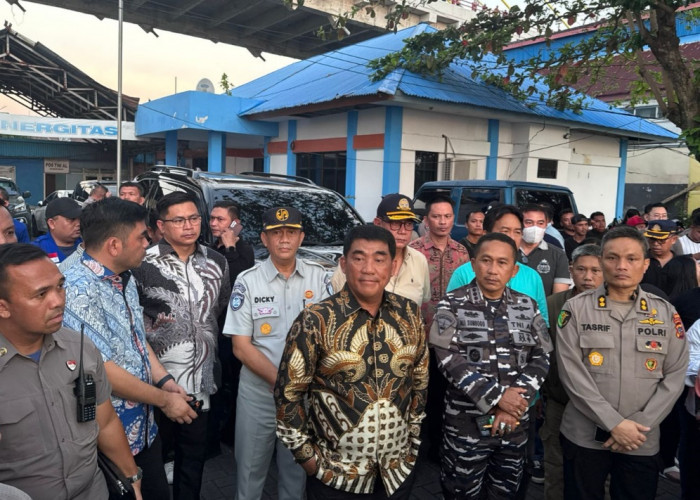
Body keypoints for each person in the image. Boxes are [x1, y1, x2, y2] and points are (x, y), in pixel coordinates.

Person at [274, 224, 428, 499]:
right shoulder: (316, 320)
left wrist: (413, 441)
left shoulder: (409, 314)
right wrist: (308, 458)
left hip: (397, 472)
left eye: (379, 259)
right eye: (359, 258)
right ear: (344, 264)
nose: (369, 269)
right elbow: (288, 394)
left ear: (393, 266)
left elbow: (420, 380)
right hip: (335, 475)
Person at [61, 198, 198, 500]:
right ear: (114, 245)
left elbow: (136, 338)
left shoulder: (124, 278)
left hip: (144, 429)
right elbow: (102, 369)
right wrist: (165, 400)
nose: (147, 244)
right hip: (108, 444)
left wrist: (164, 381)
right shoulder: (76, 289)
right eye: (141, 237)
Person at [0, 243, 143, 500]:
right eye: (40, 294)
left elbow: (106, 422)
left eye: (60, 286)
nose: (58, 301)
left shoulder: (80, 347)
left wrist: (132, 478)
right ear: (3, 307)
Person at [556, 226, 689, 500]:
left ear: (646, 264)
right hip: (584, 436)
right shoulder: (576, 309)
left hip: (641, 438)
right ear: (601, 260)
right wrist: (615, 424)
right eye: (612, 258)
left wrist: (640, 425)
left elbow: (676, 374)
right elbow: (571, 373)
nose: (621, 266)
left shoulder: (665, 312)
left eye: (631, 258)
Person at [430, 232, 551, 499]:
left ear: (514, 270)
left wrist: (513, 403)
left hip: (514, 423)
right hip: (466, 427)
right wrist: (498, 398)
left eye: (502, 262)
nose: (493, 270)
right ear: (473, 264)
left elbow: (542, 356)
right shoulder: (450, 304)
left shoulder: (527, 305)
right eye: (486, 260)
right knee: (460, 491)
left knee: (505, 491)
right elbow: (447, 358)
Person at [223, 206, 331, 500]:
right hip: (259, 395)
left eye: (291, 232)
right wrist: (283, 385)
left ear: (301, 237)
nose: (284, 239)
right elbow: (240, 346)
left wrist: (297, 389)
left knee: (296, 474)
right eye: (276, 233)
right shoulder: (248, 281)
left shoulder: (319, 278)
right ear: (264, 239)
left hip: (304, 397)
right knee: (249, 473)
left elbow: (329, 339)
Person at [132, 191, 230, 500]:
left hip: (201, 379)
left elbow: (219, 307)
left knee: (193, 458)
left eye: (193, 218)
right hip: (155, 382)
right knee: (154, 458)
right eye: (179, 220)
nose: (188, 226)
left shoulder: (217, 261)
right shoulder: (141, 262)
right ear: (161, 226)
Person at [408, 195, 469, 461]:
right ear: (426, 220)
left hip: (452, 339)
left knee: (446, 392)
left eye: (447, 216)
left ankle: (441, 446)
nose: (442, 222)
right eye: (436, 216)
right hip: (421, 335)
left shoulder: (462, 252)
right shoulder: (414, 250)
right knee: (422, 391)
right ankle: (418, 445)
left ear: (453, 219)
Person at [540, 243, 603, 500]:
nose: (588, 277)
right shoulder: (552, 304)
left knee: (598, 471)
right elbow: (540, 352)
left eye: (596, 270)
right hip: (559, 400)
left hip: (602, 406)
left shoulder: (613, 305)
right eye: (581, 269)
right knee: (555, 465)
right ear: (570, 270)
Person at [448, 204, 550, 325]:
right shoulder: (463, 273)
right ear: (486, 234)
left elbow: (542, 324)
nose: (512, 238)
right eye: (505, 231)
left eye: (517, 232)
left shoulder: (532, 277)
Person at [208, 200, 255, 448]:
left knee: (232, 381)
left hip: (232, 328)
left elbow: (239, 281)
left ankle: (230, 432)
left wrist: (230, 247)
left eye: (220, 219)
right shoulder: (207, 248)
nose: (214, 223)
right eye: (212, 218)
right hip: (211, 325)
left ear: (235, 224)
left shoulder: (243, 250)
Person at [331, 193, 430, 306]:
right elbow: (338, 306)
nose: (403, 231)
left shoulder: (419, 260)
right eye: (395, 223)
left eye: (408, 224)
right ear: (378, 223)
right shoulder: (354, 262)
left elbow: (423, 303)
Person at [520, 204, 572, 295]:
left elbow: (559, 297)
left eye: (540, 223)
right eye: (529, 222)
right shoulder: (507, 251)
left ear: (546, 225)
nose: (535, 227)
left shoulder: (558, 255)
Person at [32, 197, 82, 263]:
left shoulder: (87, 247)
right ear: (52, 223)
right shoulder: (36, 250)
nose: (78, 223)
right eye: (72, 219)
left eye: (80, 218)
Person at [642, 219, 679, 290]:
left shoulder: (681, 264)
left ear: (674, 239)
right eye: (652, 239)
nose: (655, 244)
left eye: (661, 240)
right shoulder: (640, 260)